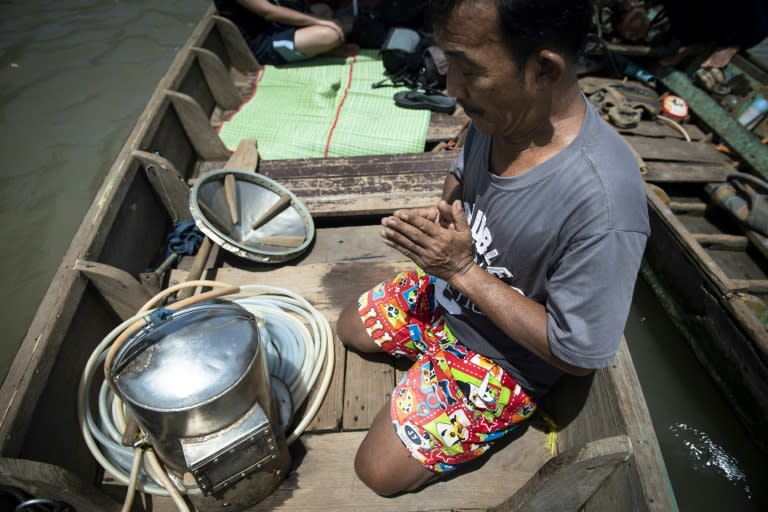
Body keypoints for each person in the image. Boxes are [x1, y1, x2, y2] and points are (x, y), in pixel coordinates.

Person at [335, 0, 649, 496]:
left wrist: (459, 269)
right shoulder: (500, 114)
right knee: (349, 328)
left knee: (377, 471)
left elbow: (577, 351)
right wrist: (445, 215)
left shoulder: (606, 203)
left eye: (468, 70)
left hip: (503, 356)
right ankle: (432, 354)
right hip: (453, 285)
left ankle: (452, 378)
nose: (450, 89)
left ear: (543, 69)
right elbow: (459, 173)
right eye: (448, 64)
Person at [213, 0, 356, 65]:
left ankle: (316, 49)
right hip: (262, 42)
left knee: (324, 9)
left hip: (275, 27)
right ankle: (322, 50)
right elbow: (268, 12)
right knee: (330, 34)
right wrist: (320, 22)